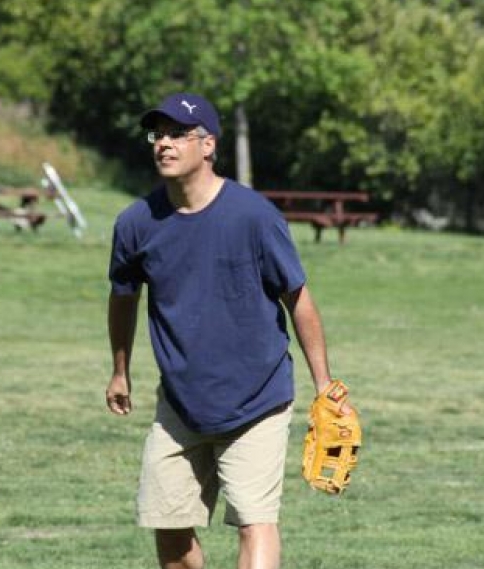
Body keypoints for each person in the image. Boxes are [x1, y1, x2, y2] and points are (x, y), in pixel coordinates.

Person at [105, 93, 345, 569]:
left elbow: (298, 299)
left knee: (255, 521)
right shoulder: (136, 223)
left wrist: (324, 385)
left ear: (208, 145)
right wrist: (119, 371)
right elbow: (123, 297)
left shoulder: (253, 217)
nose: (164, 144)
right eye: (158, 135)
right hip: (181, 401)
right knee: (170, 531)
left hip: (257, 398)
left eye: (178, 134)